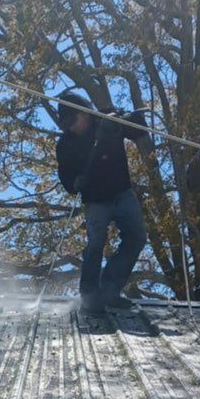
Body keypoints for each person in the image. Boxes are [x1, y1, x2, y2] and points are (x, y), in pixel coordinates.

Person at [55, 92, 149, 312]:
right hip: (96, 200)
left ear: (84, 113)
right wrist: (74, 182)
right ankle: (89, 296)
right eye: (66, 124)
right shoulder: (65, 144)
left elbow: (139, 130)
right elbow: (65, 175)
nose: (70, 127)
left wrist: (123, 120)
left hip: (122, 192)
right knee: (95, 244)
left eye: (72, 120)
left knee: (137, 238)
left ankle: (110, 290)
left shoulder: (107, 119)